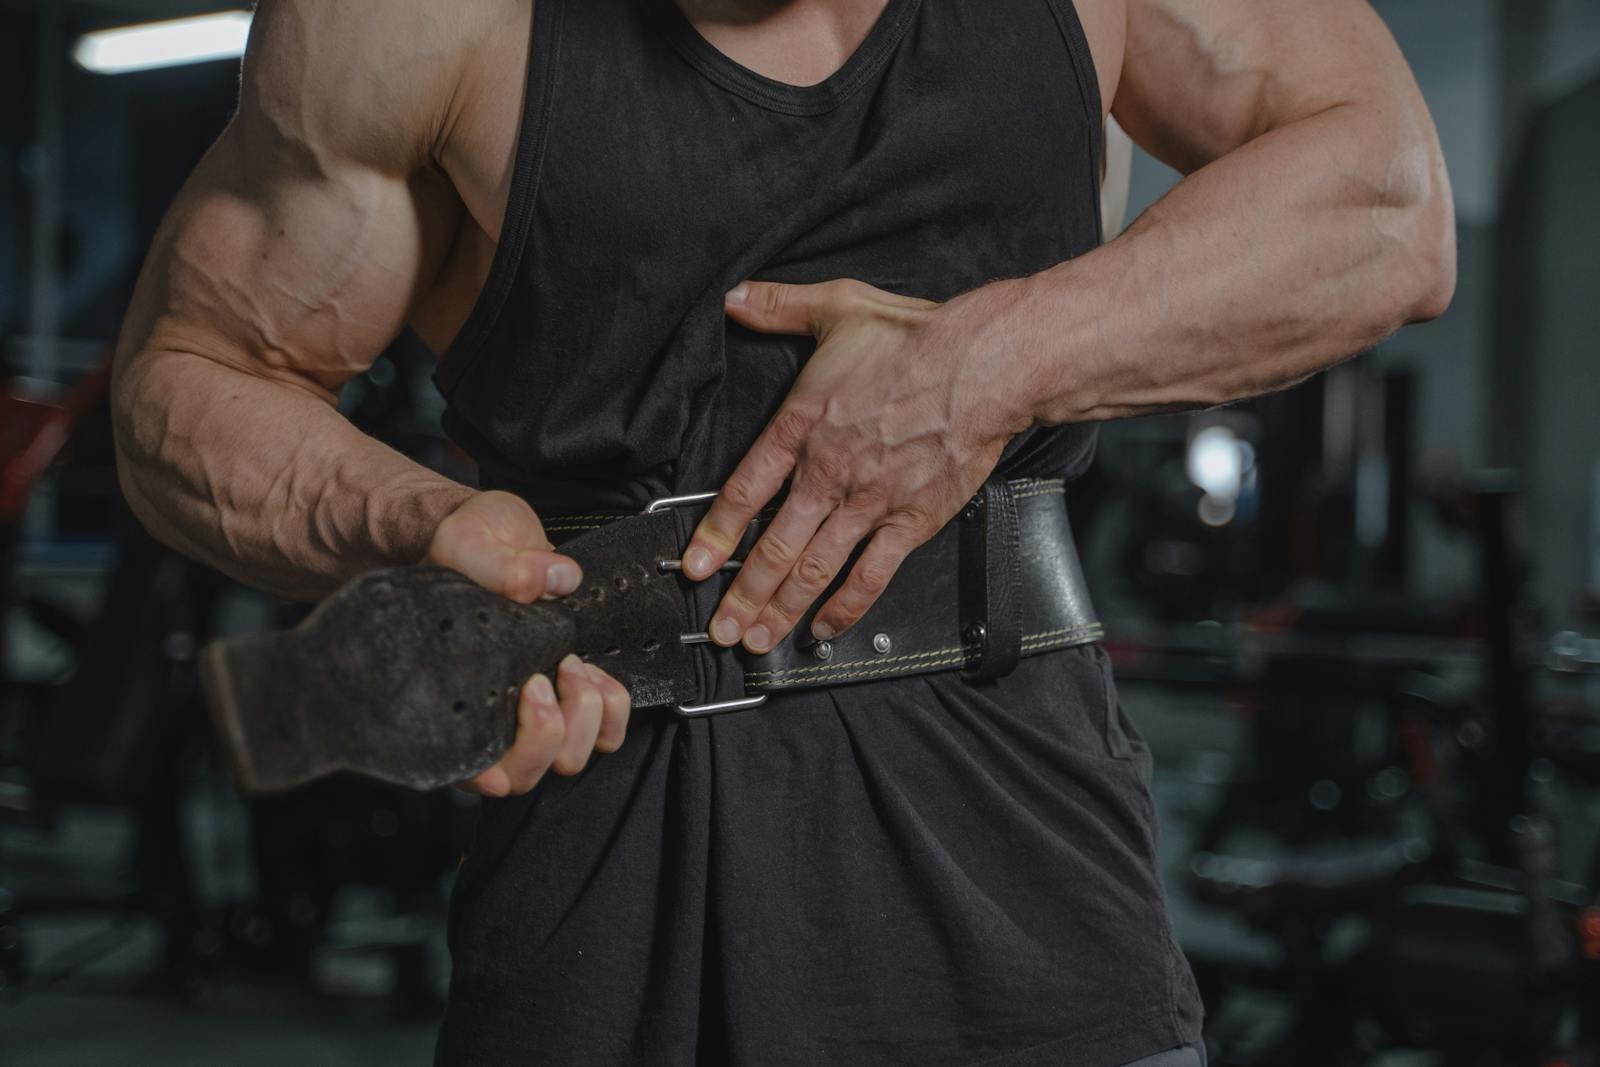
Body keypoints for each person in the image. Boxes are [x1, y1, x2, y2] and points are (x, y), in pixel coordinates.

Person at [110, 0, 1454, 1062]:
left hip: (1027, 857)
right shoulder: (416, 21)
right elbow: (194, 379)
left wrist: (988, 369)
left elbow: (1387, 206)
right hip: (611, 891)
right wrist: (428, 523)